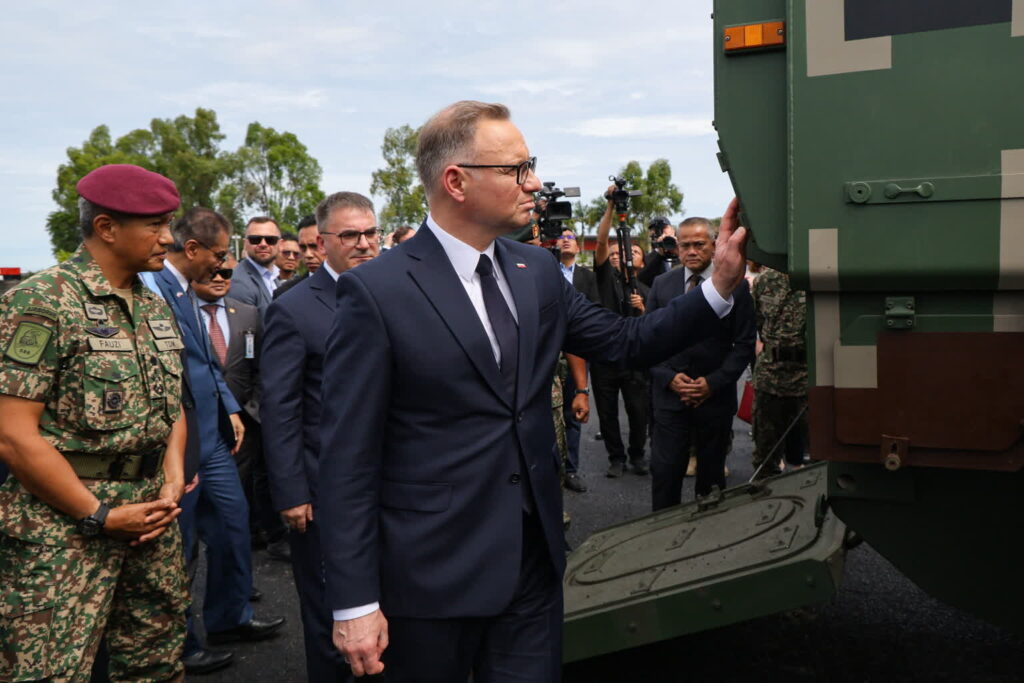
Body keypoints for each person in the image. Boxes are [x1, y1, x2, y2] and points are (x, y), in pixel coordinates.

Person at [319, 100, 748, 681]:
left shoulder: (536, 270)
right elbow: (347, 457)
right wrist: (354, 602)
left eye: (531, 166)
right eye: (517, 169)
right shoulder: (376, 292)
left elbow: (624, 341)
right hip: (429, 578)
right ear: (456, 181)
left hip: (532, 565)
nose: (535, 183)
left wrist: (719, 283)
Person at [0, 164, 190, 680]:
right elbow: (13, 434)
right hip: (63, 530)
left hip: (152, 520)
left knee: (155, 661)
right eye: (154, 225)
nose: (168, 239)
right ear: (107, 228)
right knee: (48, 670)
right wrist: (98, 515)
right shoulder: (41, 302)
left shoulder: (153, 306)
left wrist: (172, 477)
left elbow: (170, 405)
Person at [144, 208, 284, 674]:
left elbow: (203, 360)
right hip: (179, 442)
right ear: (193, 250)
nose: (225, 265)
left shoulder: (183, 292)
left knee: (231, 525)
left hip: (213, 435)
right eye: (220, 254)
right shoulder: (155, 290)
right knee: (178, 549)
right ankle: (179, 643)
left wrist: (228, 405)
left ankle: (229, 617)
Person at [262, 191, 379, 683]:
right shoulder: (293, 309)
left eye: (371, 233)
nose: (364, 244)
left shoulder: (394, 291)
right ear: (322, 242)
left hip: (394, 482)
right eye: (350, 235)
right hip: (323, 489)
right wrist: (291, 491)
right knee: (331, 615)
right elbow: (281, 406)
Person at [646, 217, 755, 507]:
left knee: (711, 482)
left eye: (699, 245)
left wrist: (712, 383)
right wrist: (668, 377)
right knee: (666, 474)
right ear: (677, 248)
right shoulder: (661, 284)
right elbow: (646, 342)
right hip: (669, 398)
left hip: (714, 400)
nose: (691, 251)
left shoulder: (736, 286)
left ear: (713, 245)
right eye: (685, 246)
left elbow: (744, 345)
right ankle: (661, 538)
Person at [191, 257, 287, 560]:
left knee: (238, 502)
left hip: (245, 426)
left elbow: (262, 366)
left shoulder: (248, 314)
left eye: (226, 273)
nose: (219, 277)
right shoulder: (179, 314)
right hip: (196, 427)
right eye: (212, 272)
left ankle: (238, 575)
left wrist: (253, 409)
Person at [591, 193, 652, 477]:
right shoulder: (604, 278)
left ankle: (637, 455)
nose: (618, 256)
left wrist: (642, 310)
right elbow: (602, 242)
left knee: (638, 411)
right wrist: (611, 207)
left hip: (634, 358)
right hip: (605, 356)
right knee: (606, 413)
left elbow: (655, 327)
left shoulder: (646, 289)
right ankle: (616, 458)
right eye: (614, 255)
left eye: (624, 253)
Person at [751, 266, 808, 478]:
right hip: (770, 376)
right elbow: (755, 322)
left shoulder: (818, 277)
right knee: (764, 455)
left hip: (809, 377)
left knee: (821, 452)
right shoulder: (765, 281)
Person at [230, 216, 282, 315]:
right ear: (245, 244)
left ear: (280, 244)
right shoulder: (239, 283)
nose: (263, 244)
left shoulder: (273, 277)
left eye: (270, 240)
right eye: (255, 239)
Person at [275, 216, 323, 300]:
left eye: (314, 246)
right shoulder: (285, 294)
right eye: (303, 248)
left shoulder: (350, 284)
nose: (308, 254)